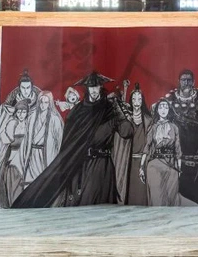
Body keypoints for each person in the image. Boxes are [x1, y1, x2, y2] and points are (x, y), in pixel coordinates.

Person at [12, 72, 133, 207]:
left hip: (103, 167)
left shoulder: (110, 109)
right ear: (86, 88)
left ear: (101, 87)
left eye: (96, 86)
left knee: (103, 205)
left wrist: (119, 112)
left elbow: (127, 132)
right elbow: (69, 143)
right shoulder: (77, 111)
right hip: (81, 165)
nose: (94, 90)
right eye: (91, 86)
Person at [162, 70, 198, 206]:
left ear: (194, 82)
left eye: (189, 80)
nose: (186, 83)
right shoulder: (169, 103)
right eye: (183, 80)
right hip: (180, 163)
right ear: (179, 82)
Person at [114, 83, 153, 205]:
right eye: (134, 99)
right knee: (127, 192)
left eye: (139, 99)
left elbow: (149, 143)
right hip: (128, 161)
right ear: (131, 100)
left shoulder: (148, 120)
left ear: (142, 101)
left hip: (143, 162)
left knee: (141, 195)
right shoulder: (126, 120)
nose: (137, 102)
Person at [141, 98, 182, 206]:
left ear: (169, 110)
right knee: (157, 198)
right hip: (155, 164)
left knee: (172, 197)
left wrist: (179, 168)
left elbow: (178, 149)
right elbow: (147, 147)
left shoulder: (174, 128)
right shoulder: (153, 128)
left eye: (166, 107)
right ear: (157, 110)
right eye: (161, 107)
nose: (163, 110)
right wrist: (141, 167)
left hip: (172, 165)